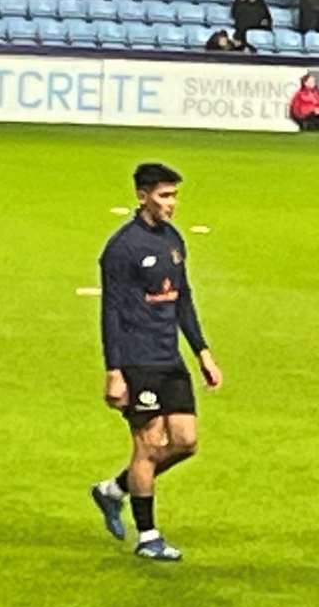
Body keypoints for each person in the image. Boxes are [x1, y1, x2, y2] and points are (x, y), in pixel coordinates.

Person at [87, 163, 222, 563]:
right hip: (136, 359)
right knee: (147, 446)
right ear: (141, 196)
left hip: (169, 357)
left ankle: (113, 490)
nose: (172, 204)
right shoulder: (121, 249)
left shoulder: (173, 240)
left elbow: (183, 299)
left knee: (185, 442)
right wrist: (114, 371)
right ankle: (148, 536)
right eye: (164, 196)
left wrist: (202, 352)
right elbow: (110, 311)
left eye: (174, 196)